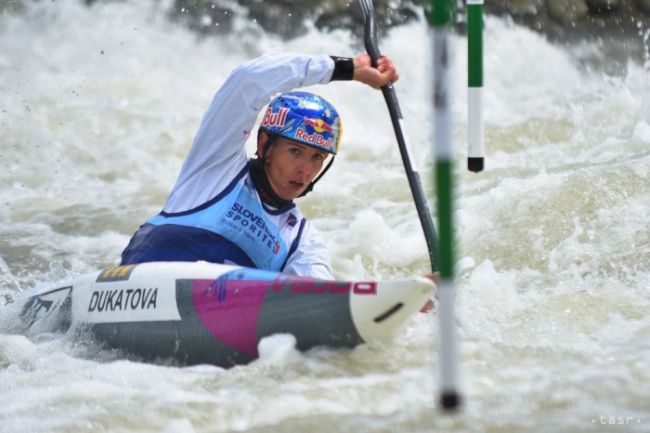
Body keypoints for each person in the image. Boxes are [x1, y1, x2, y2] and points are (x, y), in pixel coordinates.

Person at [120, 52, 399, 280]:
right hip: (142, 282)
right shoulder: (216, 165)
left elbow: (319, 302)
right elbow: (249, 80)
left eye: (317, 157)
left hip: (214, 323)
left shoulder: (301, 241)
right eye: (295, 151)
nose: (305, 169)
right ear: (265, 143)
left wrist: (398, 305)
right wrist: (347, 69)